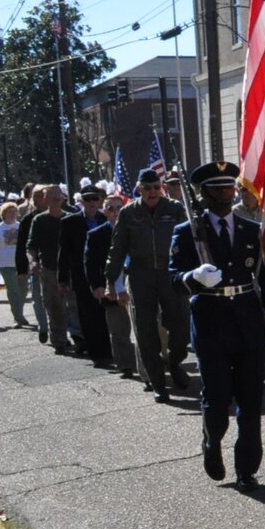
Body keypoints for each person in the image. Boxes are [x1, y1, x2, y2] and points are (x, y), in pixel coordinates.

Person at [169, 161, 265, 492]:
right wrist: (194, 277)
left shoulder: (249, 230)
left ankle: (247, 469)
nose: (226, 194)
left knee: (250, 400)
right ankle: (211, 440)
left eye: (229, 187)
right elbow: (174, 279)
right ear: (203, 194)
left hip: (247, 320)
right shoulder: (187, 232)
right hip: (211, 322)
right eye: (217, 189)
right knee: (217, 400)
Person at [105, 167, 193, 400]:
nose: (152, 192)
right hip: (141, 277)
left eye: (156, 187)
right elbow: (117, 248)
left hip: (170, 275)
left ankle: (174, 364)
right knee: (145, 333)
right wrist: (111, 280)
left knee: (181, 328)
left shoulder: (174, 209)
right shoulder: (128, 213)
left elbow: (189, 241)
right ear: (139, 189)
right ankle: (158, 383)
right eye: (147, 188)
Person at [57, 185, 111, 365]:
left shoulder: (106, 218)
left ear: (100, 201)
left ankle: (108, 350)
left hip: (104, 273)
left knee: (105, 314)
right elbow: (64, 252)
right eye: (87, 199)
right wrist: (63, 278)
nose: (91, 203)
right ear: (82, 202)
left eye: (95, 199)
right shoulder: (70, 222)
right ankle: (97, 354)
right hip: (81, 276)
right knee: (88, 315)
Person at [88, 194, 139, 376]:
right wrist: (97, 286)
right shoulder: (96, 235)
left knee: (142, 329)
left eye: (119, 207)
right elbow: (92, 264)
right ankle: (126, 365)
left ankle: (146, 365)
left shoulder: (136, 230)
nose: (116, 212)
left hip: (136, 285)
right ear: (104, 211)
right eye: (111, 208)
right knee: (119, 331)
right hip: (112, 289)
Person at [18, 185, 70, 352]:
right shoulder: (38, 220)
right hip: (49, 269)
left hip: (70, 269)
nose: (56, 198)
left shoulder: (72, 219)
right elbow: (30, 245)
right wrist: (32, 262)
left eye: (58, 195)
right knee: (53, 306)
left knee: (73, 306)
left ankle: (78, 337)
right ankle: (59, 340)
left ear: (63, 198)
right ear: (44, 200)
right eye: (51, 196)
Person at [0, 202, 26, 327]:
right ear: (3, 214)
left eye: (14, 211)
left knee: (23, 290)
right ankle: (18, 318)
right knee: (13, 291)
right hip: (5, 263)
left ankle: (19, 313)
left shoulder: (21, 226)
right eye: (9, 212)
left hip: (21, 262)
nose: (12, 214)